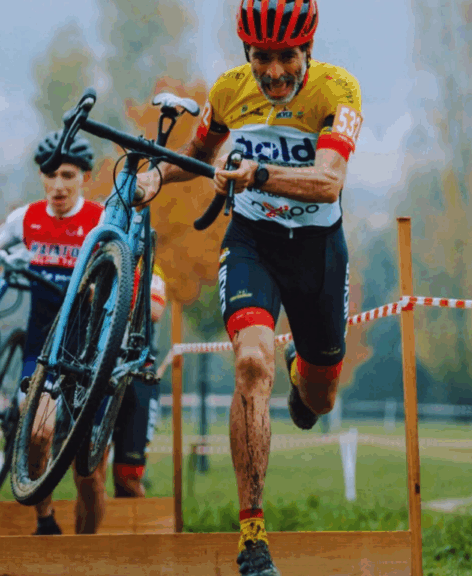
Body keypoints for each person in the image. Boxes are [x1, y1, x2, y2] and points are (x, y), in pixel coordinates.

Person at [133, 0, 361, 573]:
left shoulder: (338, 91)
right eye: (263, 57)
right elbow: (199, 155)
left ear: (306, 50)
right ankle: (253, 534)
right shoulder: (231, 91)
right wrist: (158, 174)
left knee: (318, 399)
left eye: (287, 56)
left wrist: (259, 173)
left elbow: (329, 183)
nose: (275, 71)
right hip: (252, 241)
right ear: (246, 53)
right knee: (252, 363)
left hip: (316, 250)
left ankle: (301, 376)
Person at [0, 130, 164, 535]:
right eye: (51, 175)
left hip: (91, 351)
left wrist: (109, 295)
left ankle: (85, 549)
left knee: (87, 474)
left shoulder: (100, 218)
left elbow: (135, 275)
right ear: (41, 177)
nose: (58, 185)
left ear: (85, 177)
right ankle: (44, 520)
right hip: (43, 343)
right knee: (38, 430)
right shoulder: (27, 218)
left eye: (68, 175)